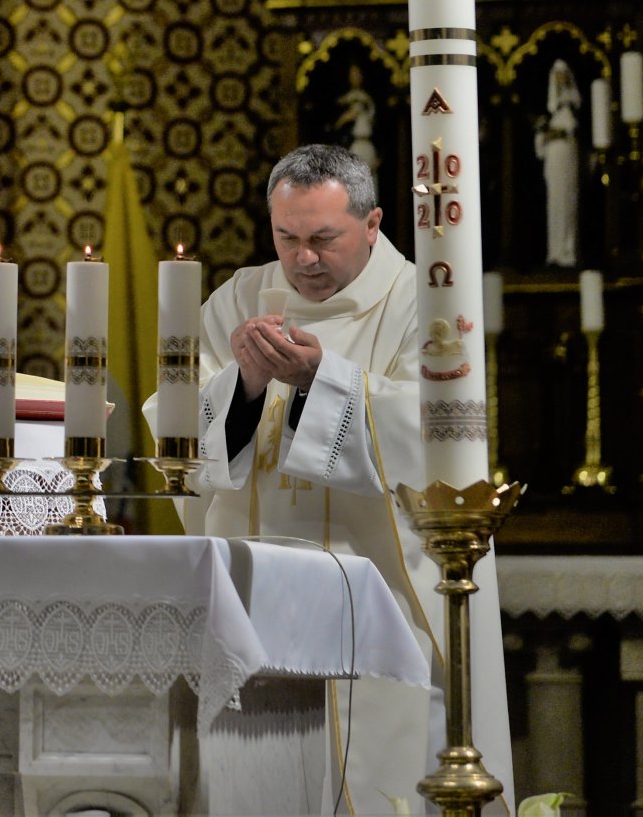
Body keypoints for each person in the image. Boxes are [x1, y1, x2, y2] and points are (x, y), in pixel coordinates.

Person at [143, 144, 512, 813]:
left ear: (371, 226)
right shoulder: (239, 300)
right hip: (253, 606)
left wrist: (323, 381)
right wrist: (246, 385)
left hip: (377, 610)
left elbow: (440, 435)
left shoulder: (421, 300)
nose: (304, 259)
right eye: (287, 237)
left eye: (323, 239)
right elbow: (178, 432)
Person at [536, 59, 581, 267]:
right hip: (553, 162)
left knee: (567, 202)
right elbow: (542, 139)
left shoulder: (572, 103)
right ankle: (554, 251)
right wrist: (545, 136)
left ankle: (567, 250)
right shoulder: (549, 110)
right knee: (554, 203)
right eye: (557, 74)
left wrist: (554, 134)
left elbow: (570, 130)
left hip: (566, 159)